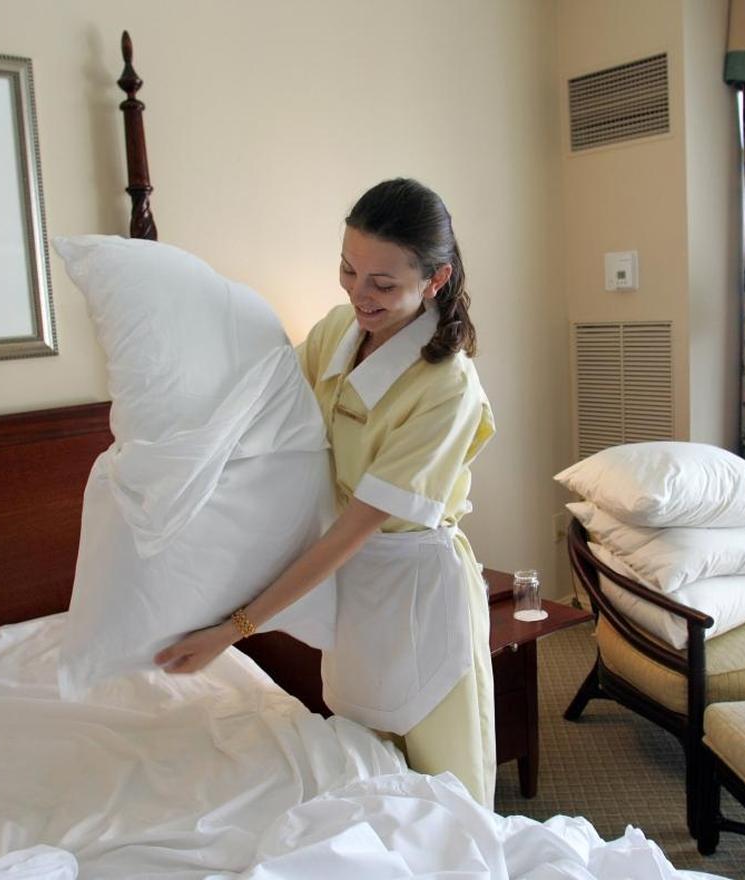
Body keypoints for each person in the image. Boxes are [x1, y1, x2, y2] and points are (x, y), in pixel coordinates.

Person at [153, 178, 497, 808]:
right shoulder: (338, 330)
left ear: (436, 280)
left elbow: (350, 531)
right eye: (348, 269)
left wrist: (235, 628)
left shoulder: (446, 388)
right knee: (363, 778)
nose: (358, 294)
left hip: (415, 591)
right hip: (352, 593)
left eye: (382, 284)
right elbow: (265, 415)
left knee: (444, 795)